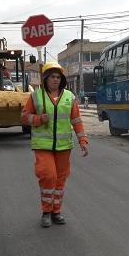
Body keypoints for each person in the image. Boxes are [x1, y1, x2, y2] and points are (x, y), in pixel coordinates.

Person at [22, 62, 89, 228]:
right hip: (43, 145)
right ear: (45, 78)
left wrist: (82, 140)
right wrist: (38, 119)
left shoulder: (69, 97)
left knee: (60, 181)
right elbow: (24, 117)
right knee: (48, 176)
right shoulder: (36, 96)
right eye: (52, 76)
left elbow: (76, 121)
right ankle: (46, 211)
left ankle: (56, 211)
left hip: (64, 146)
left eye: (58, 77)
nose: (55, 80)